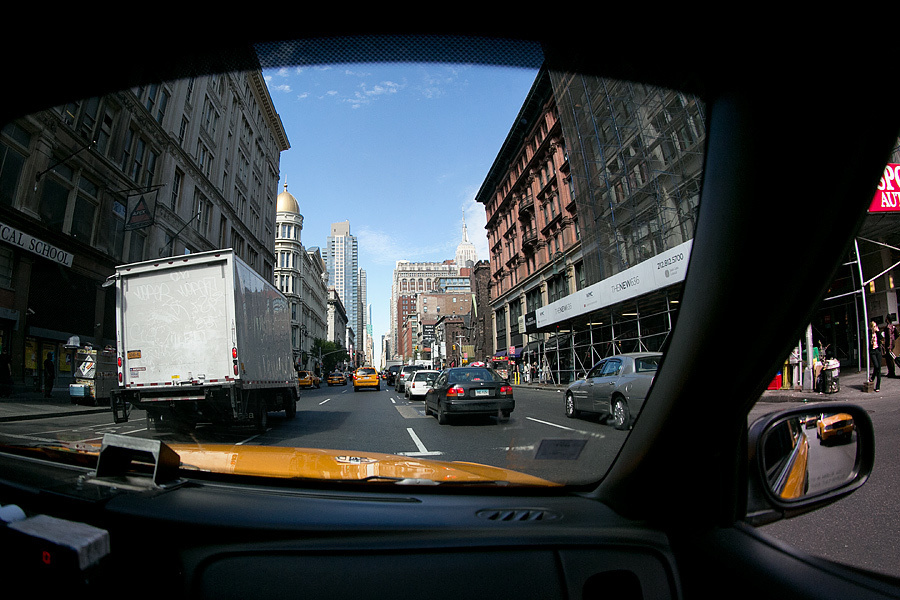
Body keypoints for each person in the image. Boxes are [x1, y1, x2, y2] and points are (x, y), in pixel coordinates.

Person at [870, 321, 883, 392]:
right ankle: (872, 377)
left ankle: (878, 386)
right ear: (871, 327)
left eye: (876, 326)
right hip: (872, 351)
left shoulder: (877, 333)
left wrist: (878, 332)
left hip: (878, 350)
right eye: (874, 326)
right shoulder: (869, 334)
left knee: (879, 368)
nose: (875, 328)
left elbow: (881, 338)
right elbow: (868, 343)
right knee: (876, 365)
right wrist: (871, 340)